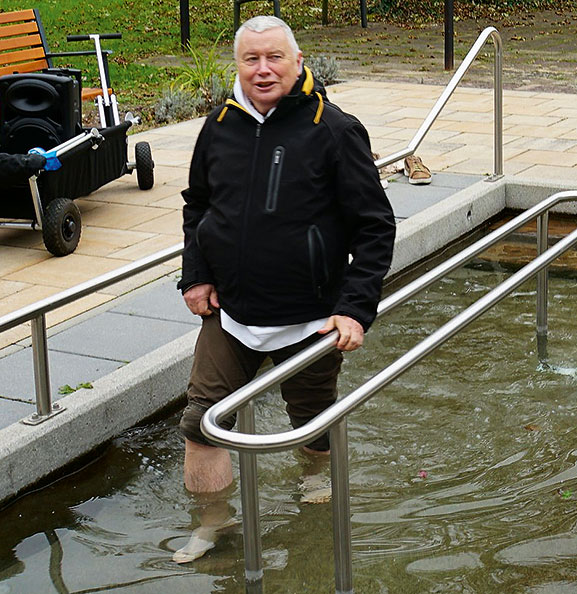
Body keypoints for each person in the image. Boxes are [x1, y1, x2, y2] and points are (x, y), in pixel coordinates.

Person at [173, 15, 395, 563]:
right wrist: (195, 273)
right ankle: (213, 524)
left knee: (310, 419)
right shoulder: (219, 125)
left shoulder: (334, 129)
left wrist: (354, 309)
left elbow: (375, 226)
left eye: (275, 57)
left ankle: (315, 475)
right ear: (239, 66)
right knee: (202, 421)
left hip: (311, 316)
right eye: (252, 59)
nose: (264, 69)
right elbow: (197, 204)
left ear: (299, 63)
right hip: (232, 314)